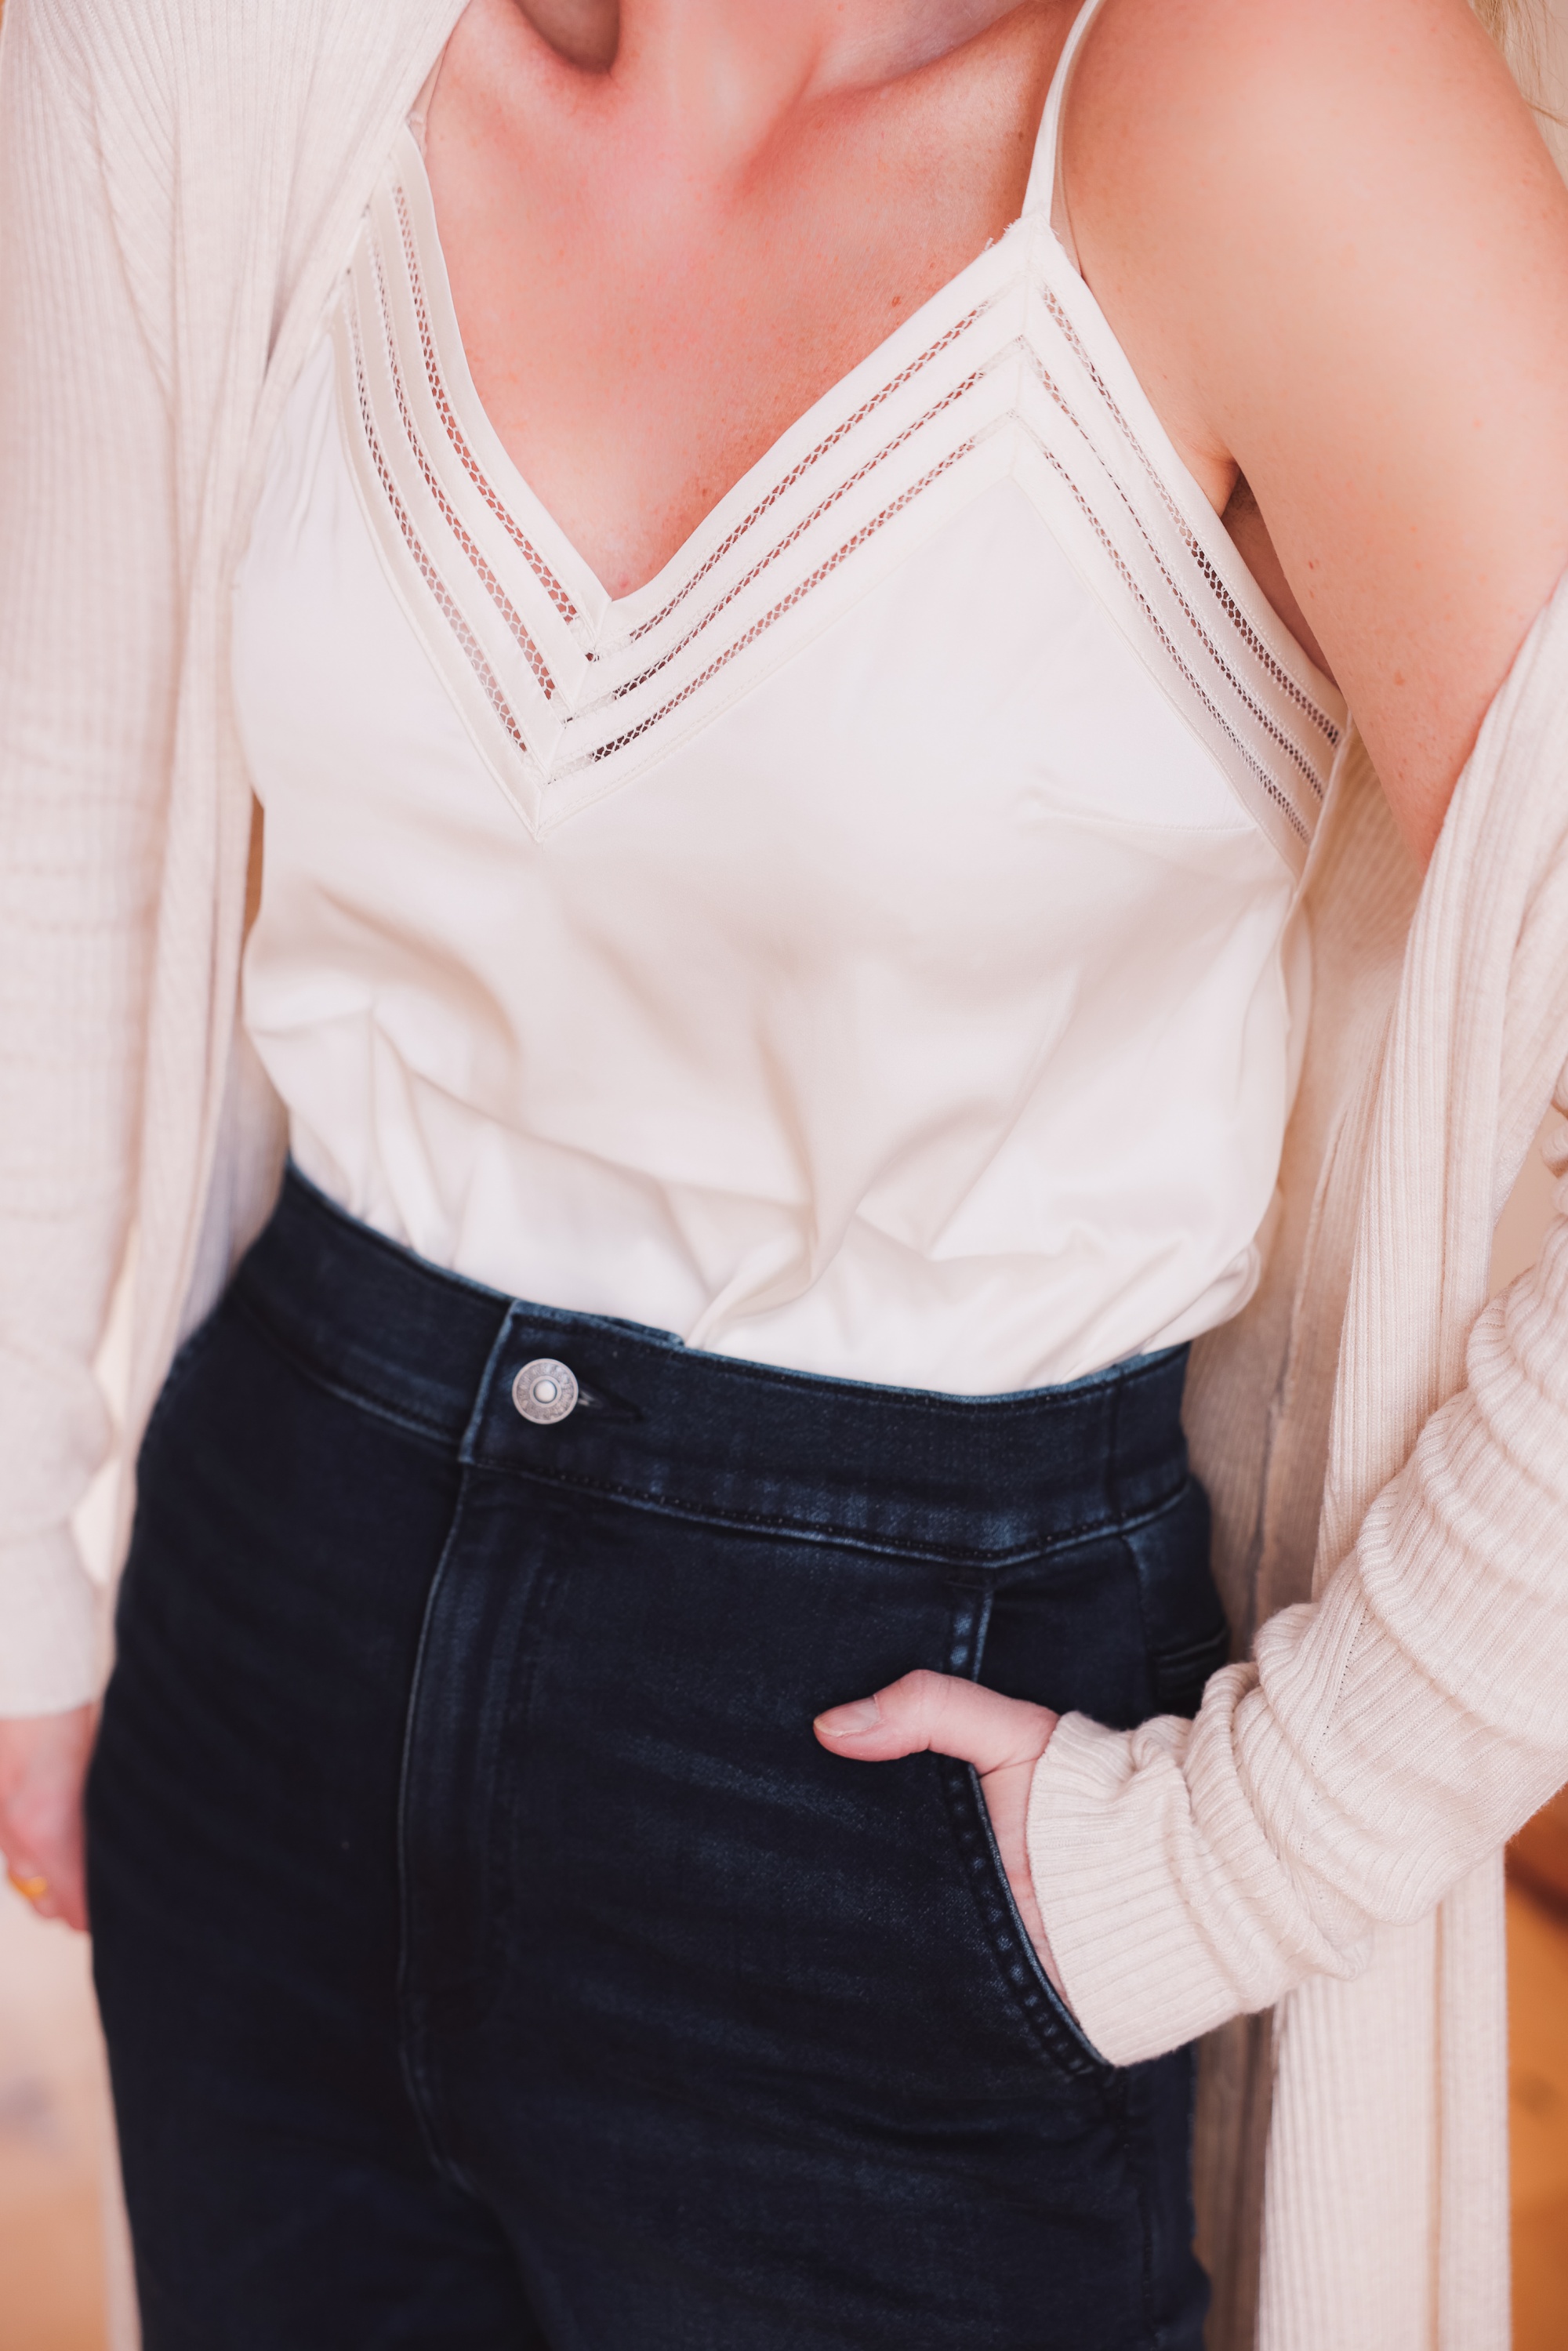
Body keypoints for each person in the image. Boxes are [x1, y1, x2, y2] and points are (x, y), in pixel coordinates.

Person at [3, 0, 1568, 2341]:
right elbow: (48, 803)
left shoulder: (1265, 87)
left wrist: (1237, 1861)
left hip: (899, 1754)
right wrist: (20, 1583)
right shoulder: (233, 44)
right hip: (275, 1606)